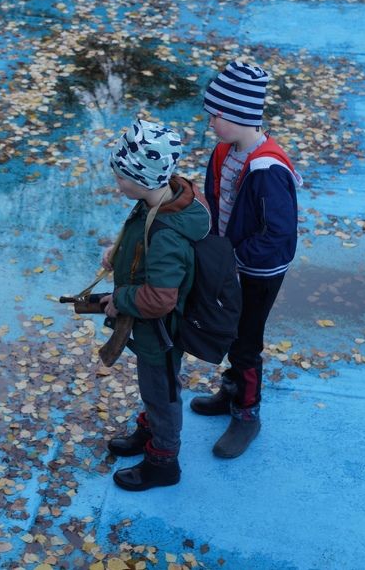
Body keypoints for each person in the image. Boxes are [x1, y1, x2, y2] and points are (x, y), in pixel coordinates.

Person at [193, 60, 302, 458]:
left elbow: (278, 233)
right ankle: (231, 389)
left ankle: (247, 413)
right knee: (229, 330)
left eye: (216, 115)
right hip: (231, 263)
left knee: (247, 339)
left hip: (258, 271)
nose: (210, 122)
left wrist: (235, 258)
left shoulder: (268, 168)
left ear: (239, 115)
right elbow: (216, 200)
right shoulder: (224, 151)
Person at [99, 118, 210, 491]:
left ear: (143, 179)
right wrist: (120, 252)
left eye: (122, 177)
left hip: (161, 332)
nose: (118, 183)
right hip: (154, 329)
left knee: (161, 393)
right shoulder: (164, 196)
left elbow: (160, 298)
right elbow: (143, 246)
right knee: (154, 388)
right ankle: (150, 432)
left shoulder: (167, 234)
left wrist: (120, 299)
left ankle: (163, 461)